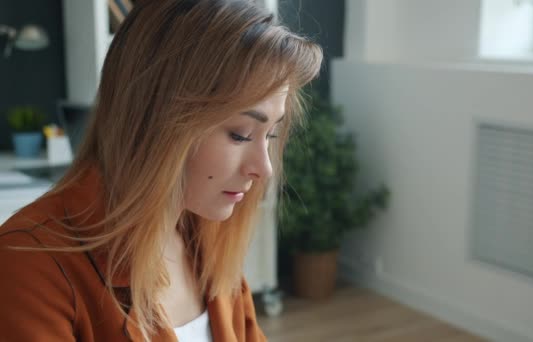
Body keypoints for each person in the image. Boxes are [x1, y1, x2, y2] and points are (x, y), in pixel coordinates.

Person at [0, 0, 322, 341]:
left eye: (270, 134)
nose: (265, 169)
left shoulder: (207, 237)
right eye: (240, 134)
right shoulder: (29, 265)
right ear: (156, 121)